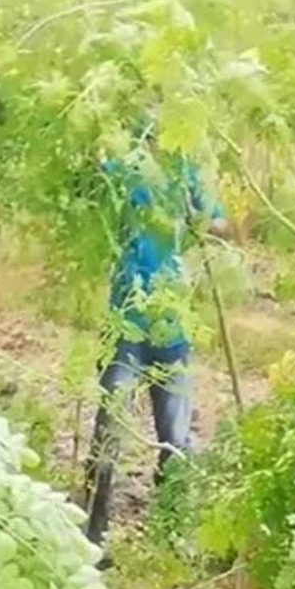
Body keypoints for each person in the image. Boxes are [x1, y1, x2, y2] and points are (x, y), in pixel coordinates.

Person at [83, 124, 228, 548]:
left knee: (176, 438)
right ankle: (92, 536)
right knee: (109, 432)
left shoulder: (184, 174)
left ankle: (170, 534)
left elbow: (220, 222)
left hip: (172, 325)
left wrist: (202, 219)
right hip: (125, 323)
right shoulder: (120, 170)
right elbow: (86, 193)